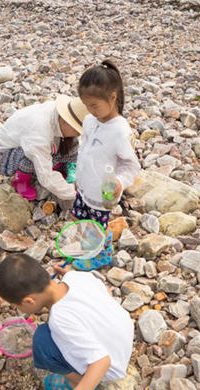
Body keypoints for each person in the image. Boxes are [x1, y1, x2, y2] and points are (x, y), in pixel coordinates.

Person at [0, 254, 134, 390]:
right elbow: (106, 291)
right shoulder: (77, 276)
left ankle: (76, 383)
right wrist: (68, 273)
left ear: (29, 301)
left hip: (112, 365)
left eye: (16, 306)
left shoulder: (60, 320)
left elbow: (102, 362)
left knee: (43, 342)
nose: (18, 309)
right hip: (125, 337)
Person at [71, 60, 140, 271]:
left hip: (103, 192)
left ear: (113, 97)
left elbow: (131, 165)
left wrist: (119, 182)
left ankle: (102, 253)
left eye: (94, 105)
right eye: (86, 105)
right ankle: (89, 245)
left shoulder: (119, 130)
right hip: (84, 186)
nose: (90, 110)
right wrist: (78, 178)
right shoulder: (91, 120)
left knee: (97, 225)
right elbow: (85, 150)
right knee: (79, 218)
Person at [0, 95, 89, 201]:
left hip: (32, 143)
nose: (78, 134)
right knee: (32, 157)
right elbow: (45, 176)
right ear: (66, 121)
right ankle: (21, 180)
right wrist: (74, 193)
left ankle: (59, 167)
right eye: (77, 130)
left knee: (71, 141)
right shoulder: (39, 132)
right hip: (5, 156)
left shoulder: (58, 115)